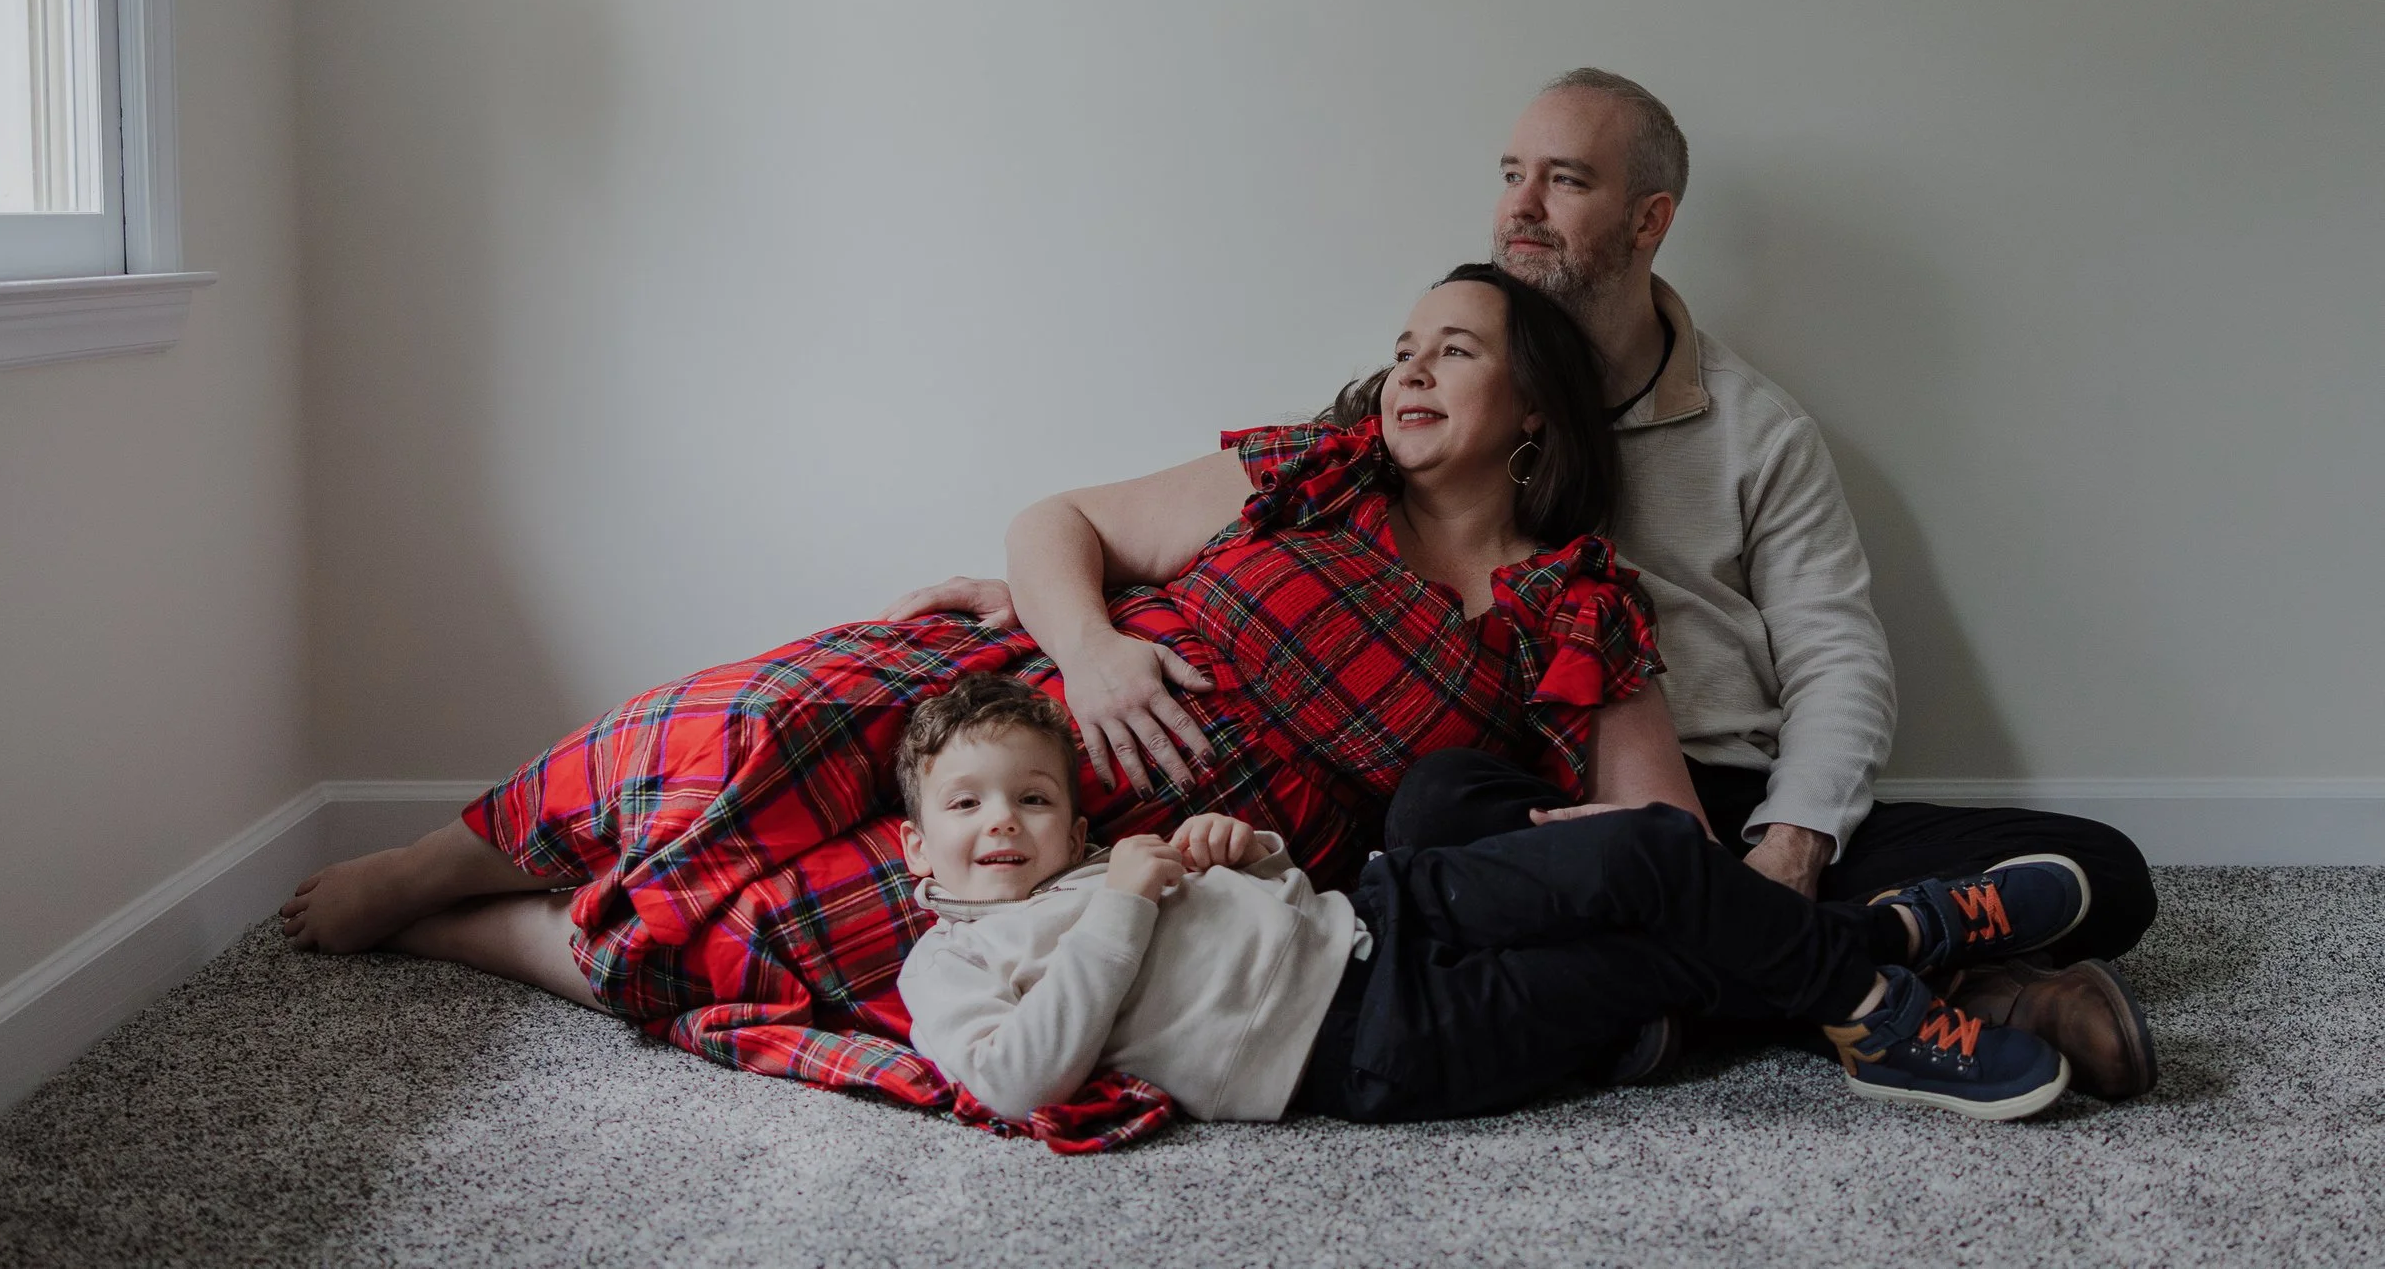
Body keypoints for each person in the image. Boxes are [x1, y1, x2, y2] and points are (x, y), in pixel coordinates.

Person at [893, 68, 2160, 1100]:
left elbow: (1836, 655)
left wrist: (1790, 838)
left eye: (1566, 180)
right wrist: (1076, 620)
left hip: (1728, 791)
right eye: (1511, 174)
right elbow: (1170, 531)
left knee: (2109, 866)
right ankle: (1920, 979)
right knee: (1444, 811)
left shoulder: (1751, 431)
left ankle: (1781, 974)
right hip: (1536, 809)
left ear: (1648, 217)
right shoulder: (1406, 426)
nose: (1523, 205)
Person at [280, 265, 1683, 1109]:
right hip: (1026, 689)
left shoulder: (1568, 605)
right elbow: (1056, 521)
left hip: (1157, 847)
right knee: (749, 728)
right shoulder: (1308, 473)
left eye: (1457, 347)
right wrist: (1089, 642)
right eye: (1406, 340)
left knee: (781, 935)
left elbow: (1662, 830)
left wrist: (1594, 846)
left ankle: (467, 934)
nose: (1410, 365)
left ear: (1537, 411)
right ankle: (428, 861)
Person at [897, 674, 2088, 1126]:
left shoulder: (1121, 861)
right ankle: (1882, 967)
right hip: (1358, 1046)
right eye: (968, 807)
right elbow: (1013, 1079)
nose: (1002, 822)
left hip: (1380, 907)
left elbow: (1266, 894)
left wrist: (1238, 848)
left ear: (1072, 813)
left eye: (1033, 798)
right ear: (917, 846)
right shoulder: (943, 968)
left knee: (1650, 856)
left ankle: (1882, 946)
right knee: (1646, 961)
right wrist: (1123, 909)